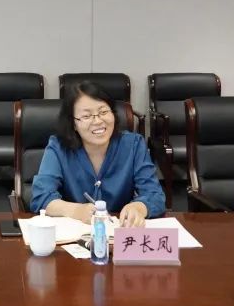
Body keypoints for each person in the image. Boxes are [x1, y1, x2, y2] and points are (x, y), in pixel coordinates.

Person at [30, 81, 166, 227]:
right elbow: (41, 197)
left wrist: (138, 208)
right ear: (73, 123)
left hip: (119, 232)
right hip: (74, 235)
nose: (98, 121)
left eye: (103, 112)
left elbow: (155, 195)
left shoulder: (133, 144)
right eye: (86, 116)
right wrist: (76, 211)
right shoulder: (58, 147)